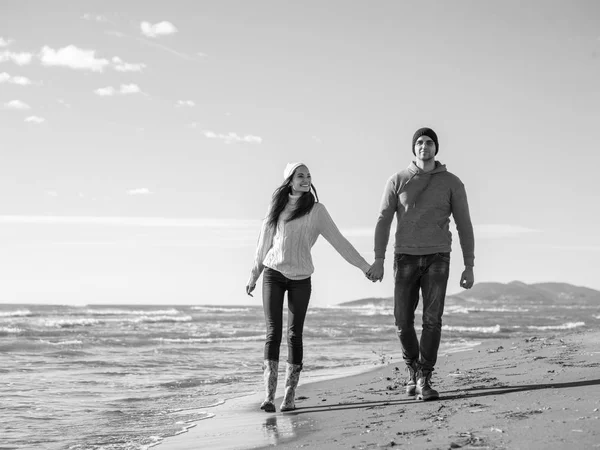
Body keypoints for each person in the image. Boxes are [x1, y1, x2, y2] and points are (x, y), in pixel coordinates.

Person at [246, 162, 372, 413]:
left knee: (294, 335)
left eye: (308, 176)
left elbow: (339, 241)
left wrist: (364, 266)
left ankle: (289, 396)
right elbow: (264, 244)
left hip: (301, 278)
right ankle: (269, 396)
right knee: (273, 333)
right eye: (299, 175)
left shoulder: (317, 210)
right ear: (289, 180)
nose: (305, 179)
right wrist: (254, 275)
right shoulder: (277, 208)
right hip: (273, 273)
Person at [366, 127, 475, 401]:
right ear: (413, 149)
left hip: (438, 256)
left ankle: (425, 376)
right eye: (419, 142)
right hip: (404, 257)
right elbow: (382, 220)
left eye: (428, 142)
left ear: (436, 148)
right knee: (402, 320)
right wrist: (378, 259)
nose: (423, 146)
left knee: (432, 319)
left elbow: (464, 225)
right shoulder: (398, 180)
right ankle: (413, 369)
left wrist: (469, 264)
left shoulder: (452, 182)